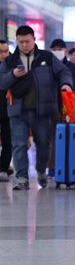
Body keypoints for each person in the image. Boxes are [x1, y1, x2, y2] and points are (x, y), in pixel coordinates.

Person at [0, 26, 72, 190]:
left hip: (42, 111)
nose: (24, 45)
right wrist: (12, 75)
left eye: (27, 41)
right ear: (16, 42)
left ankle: (41, 170)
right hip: (17, 111)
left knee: (44, 144)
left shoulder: (46, 57)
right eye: (21, 42)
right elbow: (2, 82)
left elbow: (64, 72)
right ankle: (22, 178)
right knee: (19, 145)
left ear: (34, 39)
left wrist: (66, 84)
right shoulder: (10, 61)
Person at [0, 40, 13, 182]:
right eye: (1, 52)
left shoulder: (12, 67)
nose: (4, 55)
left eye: (6, 51)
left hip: (8, 110)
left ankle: (3, 169)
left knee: (8, 141)